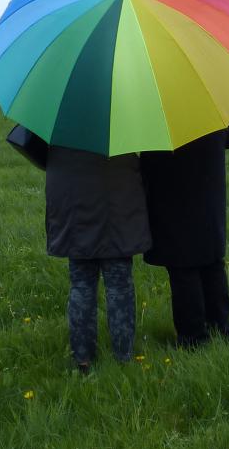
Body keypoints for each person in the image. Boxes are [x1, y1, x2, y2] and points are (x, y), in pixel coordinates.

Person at [42, 140, 153, 373]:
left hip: (74, 200)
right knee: (119, 285)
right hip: (118, 200)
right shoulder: (125, 107)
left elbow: (36, 150)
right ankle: (123, 357)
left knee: (81, 284)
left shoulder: (61, 110)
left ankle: (82, 358)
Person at [140, 115, 229, 348]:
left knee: (182, 265)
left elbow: (143, 149)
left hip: (170, 189)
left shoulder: (152, 96)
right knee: (210, 258)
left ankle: (193, 336)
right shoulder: (212, 88)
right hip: (207, 183)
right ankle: (220, 325)